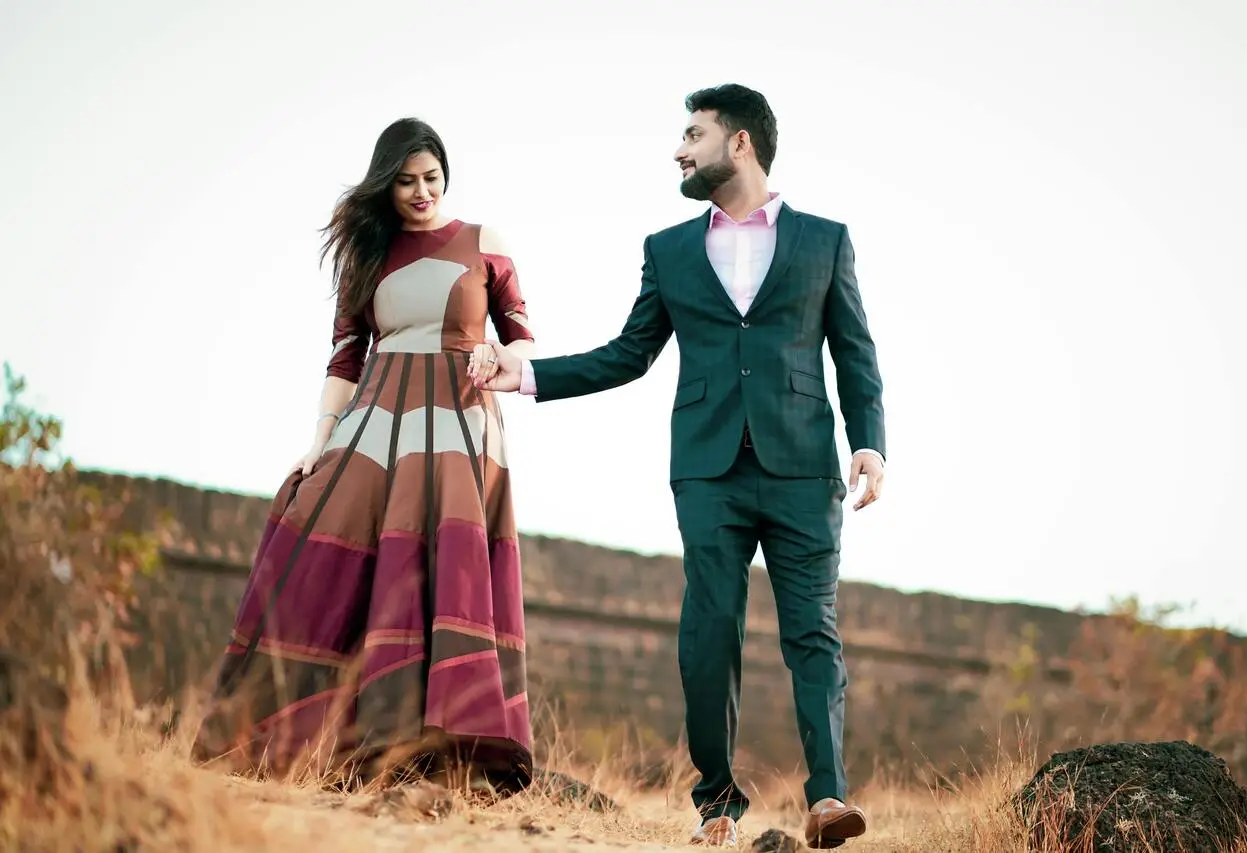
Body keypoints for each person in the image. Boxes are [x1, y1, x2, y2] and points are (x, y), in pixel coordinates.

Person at [474, 84, 886, 848]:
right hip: (707, 469)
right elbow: (628, 354)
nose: (678, 148)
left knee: (813, 634)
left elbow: (855, 354)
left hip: (804, 466)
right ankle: (717, 805)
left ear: (740, 143)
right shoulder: (667, 249)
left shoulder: (826, 240)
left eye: (692, 133)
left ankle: (828, 798)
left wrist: (869, 440)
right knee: (708, 631)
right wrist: (523, 374)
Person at [190, 117, 537, 794]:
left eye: (431, 178)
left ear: (446, 177)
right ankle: (342, 741)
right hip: (376, 420)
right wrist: (319, 443)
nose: (420, 191)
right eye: (406, 180)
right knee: (327, 539)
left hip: (459, 423)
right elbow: (346, 356)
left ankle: (447, 750)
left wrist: (501, 356)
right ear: (387, 183)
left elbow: (523, 336)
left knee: (444, 571)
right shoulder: (369, 253)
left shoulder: (484, 243)